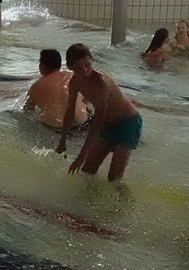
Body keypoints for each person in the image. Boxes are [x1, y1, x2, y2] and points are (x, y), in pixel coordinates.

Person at [57, 44, 142, 181]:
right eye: (79, 67)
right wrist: (62, 141)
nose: (85, 70)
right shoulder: (74, 82)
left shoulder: (102, 83)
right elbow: (69, 112)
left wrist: (81, 156)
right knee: (87, 170)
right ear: (70, 67)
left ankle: (123, 201)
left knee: (114, 178)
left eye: (87, 64)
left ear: (91, 59)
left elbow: (97, 121)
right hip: (108, 124)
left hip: (128, 122)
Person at [24, 48, 88, 130]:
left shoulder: (36, 86)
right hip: (82, 123)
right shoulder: (73, 77)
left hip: (56, 128)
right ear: (59, 64)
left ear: (42, 66)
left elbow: (27, 111)